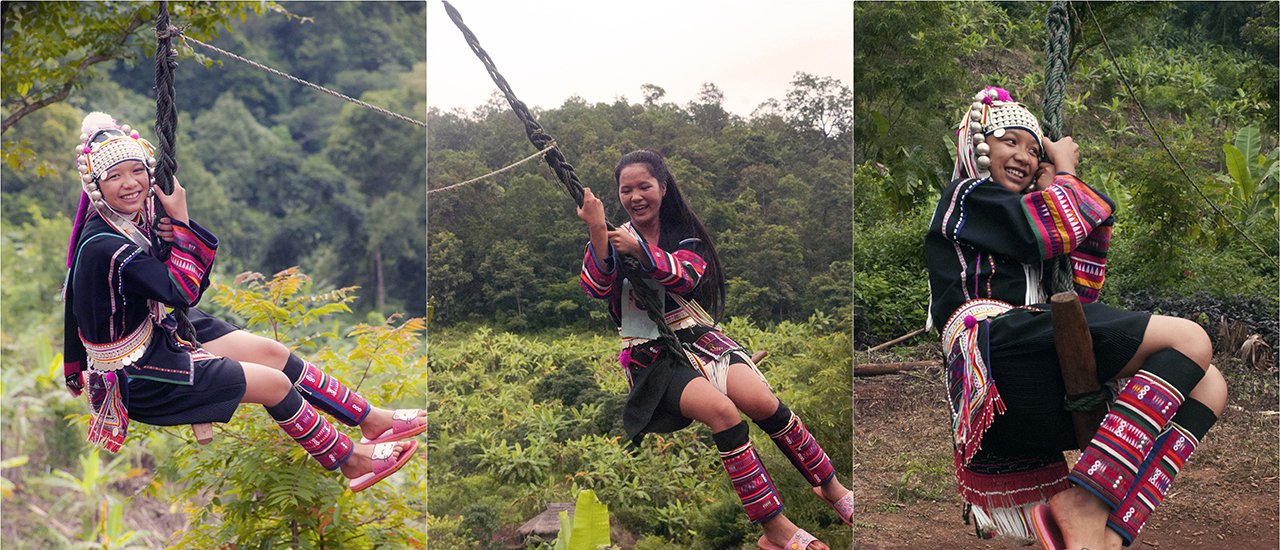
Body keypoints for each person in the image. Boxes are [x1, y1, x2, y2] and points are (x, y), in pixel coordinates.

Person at [924, 87, 1227, 550]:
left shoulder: (1023, 217)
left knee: (1211, 385)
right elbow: (1054, 227)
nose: (1023, 155)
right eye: (1010, 142)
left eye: (1033, 149)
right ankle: (1084, 504)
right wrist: (1063, 170)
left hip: (1032, 369)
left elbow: (1082, 290)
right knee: (1190, 339)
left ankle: (1108, 532)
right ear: (978, 147)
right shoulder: (967, 198)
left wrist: (1053, 184)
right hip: (996, 351)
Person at [63, 112, 422, 492]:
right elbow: (184, 291)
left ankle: (371, 419)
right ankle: (350, 461)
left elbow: (170, 282)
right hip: (137, 374)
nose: (131, 183)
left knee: (269, 352)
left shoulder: (126, 218)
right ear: (96, 184)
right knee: (273, 384)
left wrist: (169, 235)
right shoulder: (106, 245)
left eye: (137, 170)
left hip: (153, 332)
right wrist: (181, 220)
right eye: (115, 176)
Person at [576, 149, 851, 550]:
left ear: (663, 188)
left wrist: (640, 251)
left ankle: (830, 485)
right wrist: (599, 233)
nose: (636, 197)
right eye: (626, 190)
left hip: (698, 335)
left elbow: (687, 277)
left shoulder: (683, 235)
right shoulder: (613, 240)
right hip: (652, 355)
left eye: (644, 187)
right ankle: (774, 529)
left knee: (762, 401)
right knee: (723, 413)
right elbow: (597, 287)